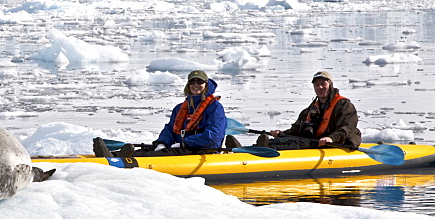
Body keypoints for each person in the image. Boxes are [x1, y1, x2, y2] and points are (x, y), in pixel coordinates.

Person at [93, 70, 226, 158]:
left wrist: (185, 143)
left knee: (156, 155)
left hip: (201, 149)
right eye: (192, 82)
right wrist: (162, 142)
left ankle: (117, 160)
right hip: (181, 147)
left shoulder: (215, 108)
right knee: (148, 149)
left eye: (199, 82)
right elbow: (170, 129)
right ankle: (113, 156)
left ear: (206, 85)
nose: (195, 85)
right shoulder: (180, 108)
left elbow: (213, 136)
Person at [258, 70, 361, 150]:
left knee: (295, 144)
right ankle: (258, 147)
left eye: (323, 84)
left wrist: (331, 138)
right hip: (315, 140)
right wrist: (281, 133)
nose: (320, 87)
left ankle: (267, 151)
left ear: (330, 85)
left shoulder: (344, 105)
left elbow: (347, 128)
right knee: (280, 140)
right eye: (316, 85)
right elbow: (296, 130)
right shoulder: (311, 109)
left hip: (337, 142)